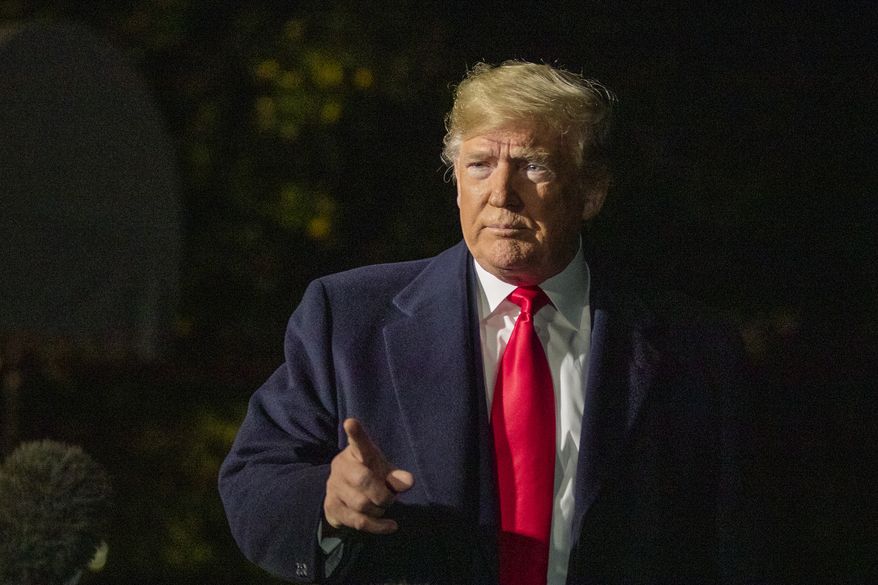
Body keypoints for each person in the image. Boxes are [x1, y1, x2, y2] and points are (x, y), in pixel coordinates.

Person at [219, 61, 755, 584]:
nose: (501, 193)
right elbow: (254, 482)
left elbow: (741, 544)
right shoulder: (347, 316)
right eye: (480, 165)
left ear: (590, 192)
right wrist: (328, 503)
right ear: (456, 184)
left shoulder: (693, 347)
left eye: (533, 165)